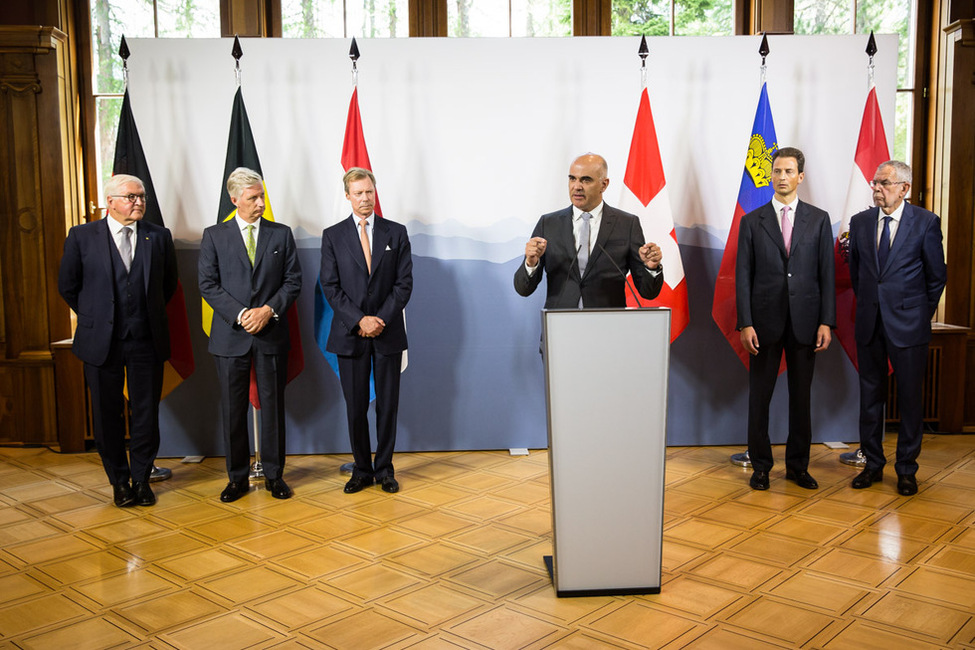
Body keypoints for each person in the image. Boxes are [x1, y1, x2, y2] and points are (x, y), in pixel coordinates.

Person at [58, 174, 178, 507]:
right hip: (101, 342)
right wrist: (96, 317)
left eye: (141, 197)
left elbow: (167, 286)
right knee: (106, 414)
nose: (138, 202)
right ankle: (119, 481)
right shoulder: (82, 237)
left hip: (146, 340)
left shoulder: (159, 236)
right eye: (131, 197)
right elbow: (68, 285)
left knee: (145, 413)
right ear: (109, 201)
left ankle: (141, 479)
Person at [198, 167, 302, 503]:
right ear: (234, 199)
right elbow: (208, 285)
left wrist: (267, 311)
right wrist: (243, 314)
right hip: (231, 336)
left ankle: (274, 475)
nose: (260, 203)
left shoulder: (281, 234)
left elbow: (292, 282)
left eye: (262, 196)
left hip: (271, 333)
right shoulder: (214, 235)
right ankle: (237, 479)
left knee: (273, 407)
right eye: (253, 198)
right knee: (233, 410)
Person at [736, 147, 835, 491]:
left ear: (800, 177)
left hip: (807, 322)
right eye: (776, 171)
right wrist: (745, 322)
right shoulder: (752, 221)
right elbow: (742, 276)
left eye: (788, 171)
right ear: (770, 176)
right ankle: (761, 466)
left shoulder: (819, 219)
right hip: (763, 324)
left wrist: (827, 322)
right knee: (759, 398)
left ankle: (797, 466)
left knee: (801, 398)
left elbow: (826, 274)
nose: (781, 177)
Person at [848, 160, 946, 496]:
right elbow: (859, 273)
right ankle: (873, 465)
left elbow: (936, 276)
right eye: (875, 183)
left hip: (909, 326)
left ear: (904, 188)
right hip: (870, 323)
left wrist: (919, 313)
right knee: (870, 398)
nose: (876, 188)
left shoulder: (925, 223)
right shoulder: (860, 223)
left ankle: (906, 469)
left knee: (909, 400)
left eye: (884, 183)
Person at [320, 168, 413, 494]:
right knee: (356, 407)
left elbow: (403, 285)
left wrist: (379, 320)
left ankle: (385, 469)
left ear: (375, 193)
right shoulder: (333, 236)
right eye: (358, 193)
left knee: (388, 405)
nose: (365, 198)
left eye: (369, 192)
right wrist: (360, 320)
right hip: (350, 334)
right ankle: (361, 470)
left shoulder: (396, 233)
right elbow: (330, 287)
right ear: (347, 196)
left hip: (387, 333)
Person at [513, 153, 663, 308]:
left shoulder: (627, 224)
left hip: (609, 325)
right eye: (572, 178)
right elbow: (523, 289)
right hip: (561, 326)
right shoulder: (549, 224)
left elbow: (648, 292)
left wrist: (651, 267)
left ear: (604, 185)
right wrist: (531, 262)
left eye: (586, 180)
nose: (577, 186)